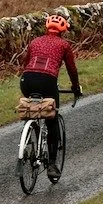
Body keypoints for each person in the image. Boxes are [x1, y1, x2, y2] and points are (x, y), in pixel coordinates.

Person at [21, 13, 82, 177]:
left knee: (33, 108)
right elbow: (72, 70)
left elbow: (26, 63)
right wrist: (76, 88)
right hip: (47, 81)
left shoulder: (34, 41)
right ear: (63, 31)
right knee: (52, 119)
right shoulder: (64, 45)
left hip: (26, 79)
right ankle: (52, 165)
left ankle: (29, 133)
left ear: (47, 27)